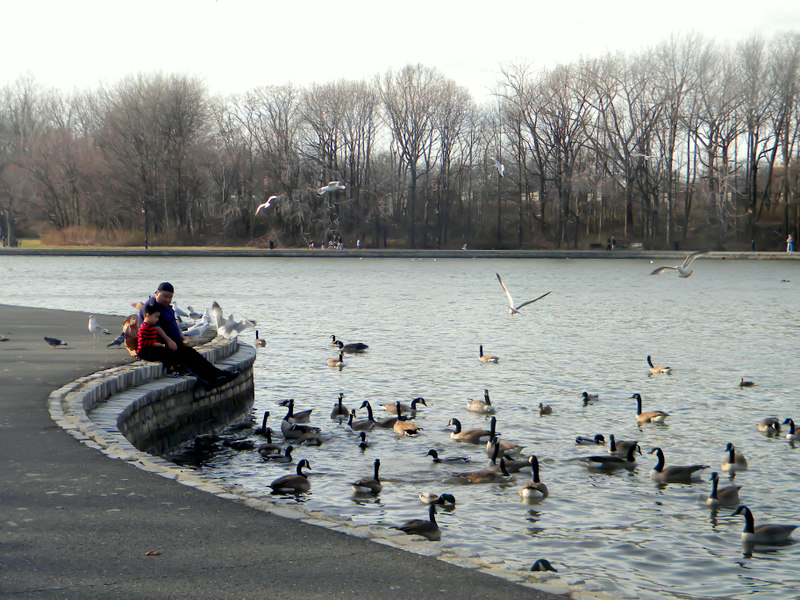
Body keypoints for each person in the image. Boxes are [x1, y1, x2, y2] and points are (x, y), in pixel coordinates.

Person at [138, 282, 238, 389]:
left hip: (173, 341)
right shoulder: (151, 306)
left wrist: (181, 335)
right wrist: (168, 341)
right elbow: (156, 327)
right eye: (165, 296)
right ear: (157, 293)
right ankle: (209, 381)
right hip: (158, 345)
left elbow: (173, 321)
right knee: (184, 356)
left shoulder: (166, 306)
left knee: (192, 353)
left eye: (170, 297)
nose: (168, 299)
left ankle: (218, 374)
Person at [136, 303, 180, 375]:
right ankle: (170, 369)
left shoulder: (151, 326)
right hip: (144, 351)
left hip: (150, 349)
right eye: (155, 317)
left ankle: (176, 366)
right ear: (148, 315)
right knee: (164, 353)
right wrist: (154, 343)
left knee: (168, 350)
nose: (157, 319)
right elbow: (142, 343)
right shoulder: (144, 327)